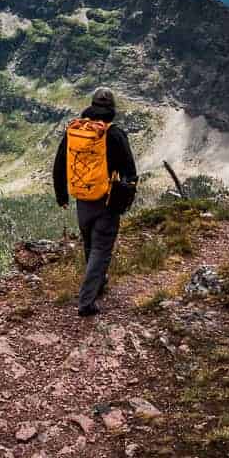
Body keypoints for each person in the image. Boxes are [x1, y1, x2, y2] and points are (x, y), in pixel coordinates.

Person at [52, 87, 138, 317]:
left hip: (81, 199)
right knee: (101, 249)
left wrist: (62, 195)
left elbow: (60, 164)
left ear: (91, 105)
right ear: (111, 109)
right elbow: (129, 170)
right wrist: (126, 195)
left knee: (90, 244)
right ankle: (86, 302)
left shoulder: (76, 131)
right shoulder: (114, 134)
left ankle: (97, 283)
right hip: (106, 200)